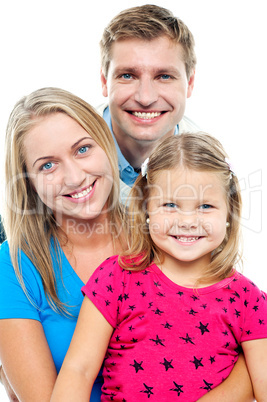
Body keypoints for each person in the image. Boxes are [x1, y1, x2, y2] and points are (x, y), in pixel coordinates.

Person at [51, 133, 266, 401]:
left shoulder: (248, 300)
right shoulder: (115, 277)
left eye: (205, 206)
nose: (187, 221)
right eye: (171, 205)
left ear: (229, 212)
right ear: (146, 207)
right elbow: (79, 371)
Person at [0, 87, 126, 401]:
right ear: (28, 182)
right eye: (48, 166)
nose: (74, 177)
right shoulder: (13, 267)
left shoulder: (165, 235)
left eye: (83, 149)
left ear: (105, 142)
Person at [99, 4, 199, 196]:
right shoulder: (63, 148)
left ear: (190, 83)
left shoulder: (214, 168)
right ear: (104, 81)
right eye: (128, 75)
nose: (145, 98)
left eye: (164, 76)